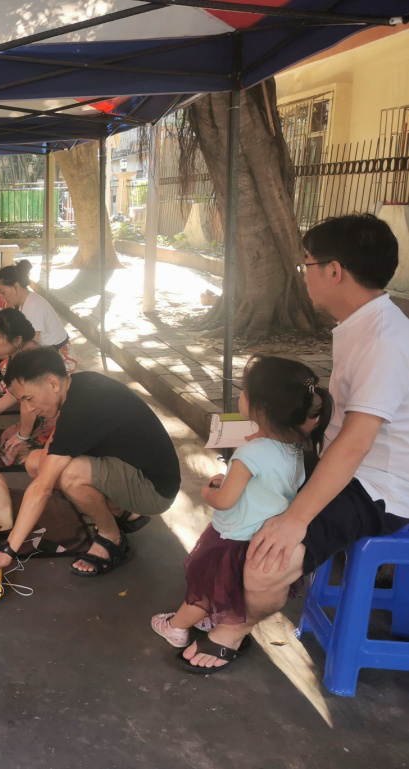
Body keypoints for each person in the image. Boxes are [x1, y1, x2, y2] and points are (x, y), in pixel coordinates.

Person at [183, 214, 409, 672]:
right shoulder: (362, 323)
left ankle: (235, 627)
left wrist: (295, 518)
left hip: (379, 486)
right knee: (242, 506)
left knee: (269, 555)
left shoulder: (384, 340)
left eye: (308, 263)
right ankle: (220, 597)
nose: (304, 274)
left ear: (334, 270)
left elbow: (356, 443)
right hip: (346, 465)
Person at [152, 356, 332, 664]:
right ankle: (211, 619)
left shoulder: (250, 452)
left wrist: (208, 492)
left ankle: (176, 627)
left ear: (261, 407)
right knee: (230, 585)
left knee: (205, 590)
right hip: (259, 539)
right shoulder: (298, 446)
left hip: (230, 538)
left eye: (244, 392)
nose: (241, 396)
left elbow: (225, 500)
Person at [0, 348, 181, 584]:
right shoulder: (79, 385)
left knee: (69, 475)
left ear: (52, 383)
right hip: (131, 468)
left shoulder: (85, 407)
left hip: (153, 489)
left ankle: (111, 537)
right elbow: (50, 455)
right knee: (35, 463)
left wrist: (7, 551)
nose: (29, 408)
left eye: (29, 398)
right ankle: (121, 512)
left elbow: (43, 488)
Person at [0, 309, 65, 467]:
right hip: (42, 409)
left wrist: (23, 436)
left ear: (17, 340)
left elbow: (28, 406)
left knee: (15, 451)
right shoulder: (20, 352)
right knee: (7, 438)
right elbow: (15, 394)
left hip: (55, 414)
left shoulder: (28, 359)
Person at [0, 261, 72, 354]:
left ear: (16, 286)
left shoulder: (33, 305)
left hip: (59, 355)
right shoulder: (25, 302)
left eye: (3, 292)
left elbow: (30, 346)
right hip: (48, 351)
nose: (2, 297)